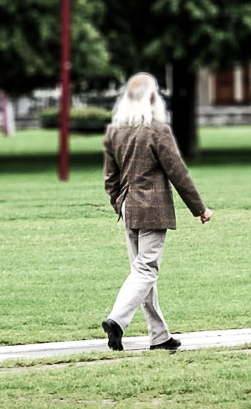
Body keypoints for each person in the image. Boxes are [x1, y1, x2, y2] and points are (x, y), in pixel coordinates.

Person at [100, 72, 212, 352]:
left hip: (128, 208)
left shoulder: (115, 132)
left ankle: (159, 336)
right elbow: (178, 172)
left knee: (141, 273)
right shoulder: (156, 130)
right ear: (152, 97)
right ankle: (117, 320)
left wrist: (121, 204)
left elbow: (109, 179)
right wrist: (199, 207)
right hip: (152, 208)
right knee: (146, 270)